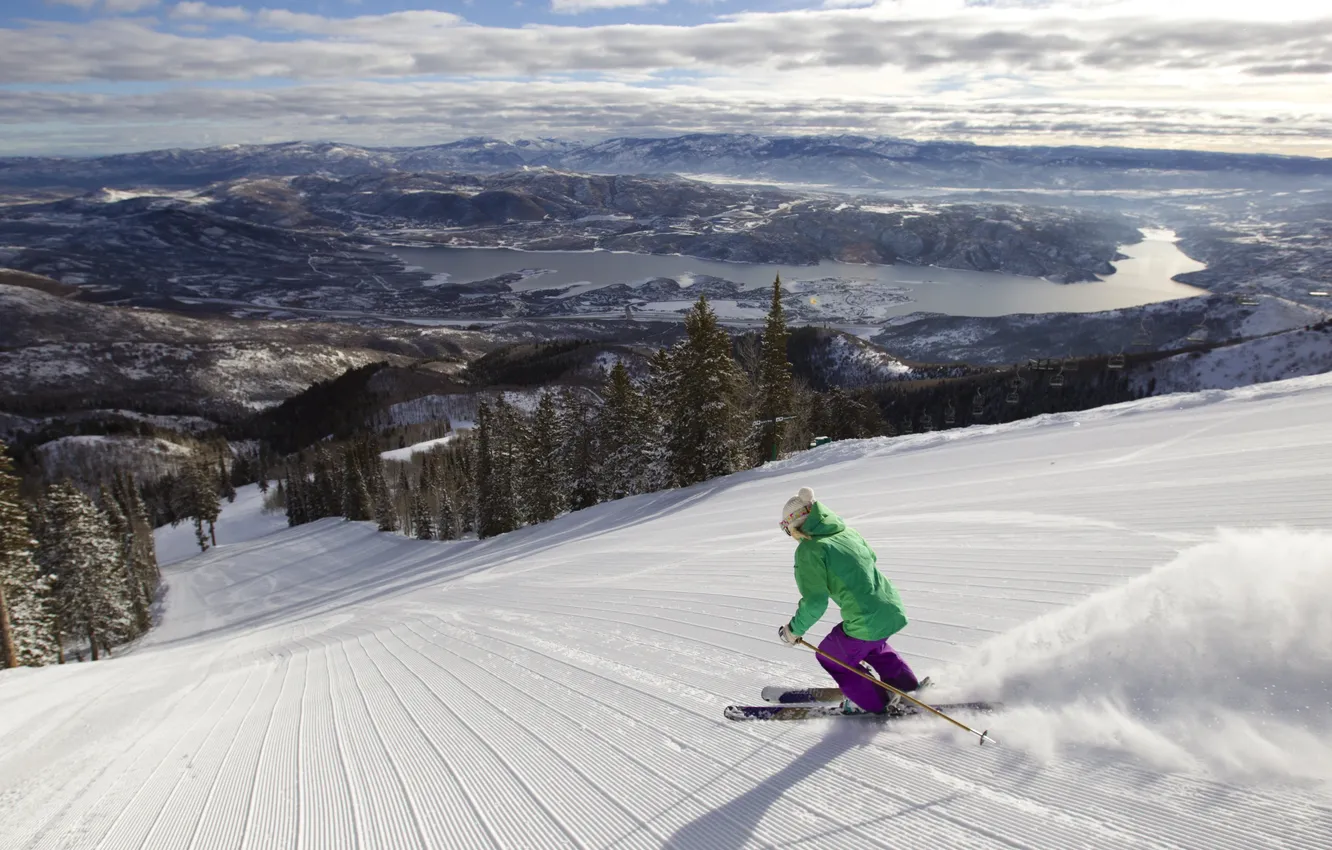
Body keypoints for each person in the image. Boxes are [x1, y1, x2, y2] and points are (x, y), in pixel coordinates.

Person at [776, 487, 921, 714]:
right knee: (873, 646)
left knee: (831, 656)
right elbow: (870, 558)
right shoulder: (847, 533)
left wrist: (793, 630)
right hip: (891, 608)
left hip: (866, 619)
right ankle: (908, 688)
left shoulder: (811, 549)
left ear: (796, 525)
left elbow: (816, 602)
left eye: (789, 530)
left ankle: (873, 702)